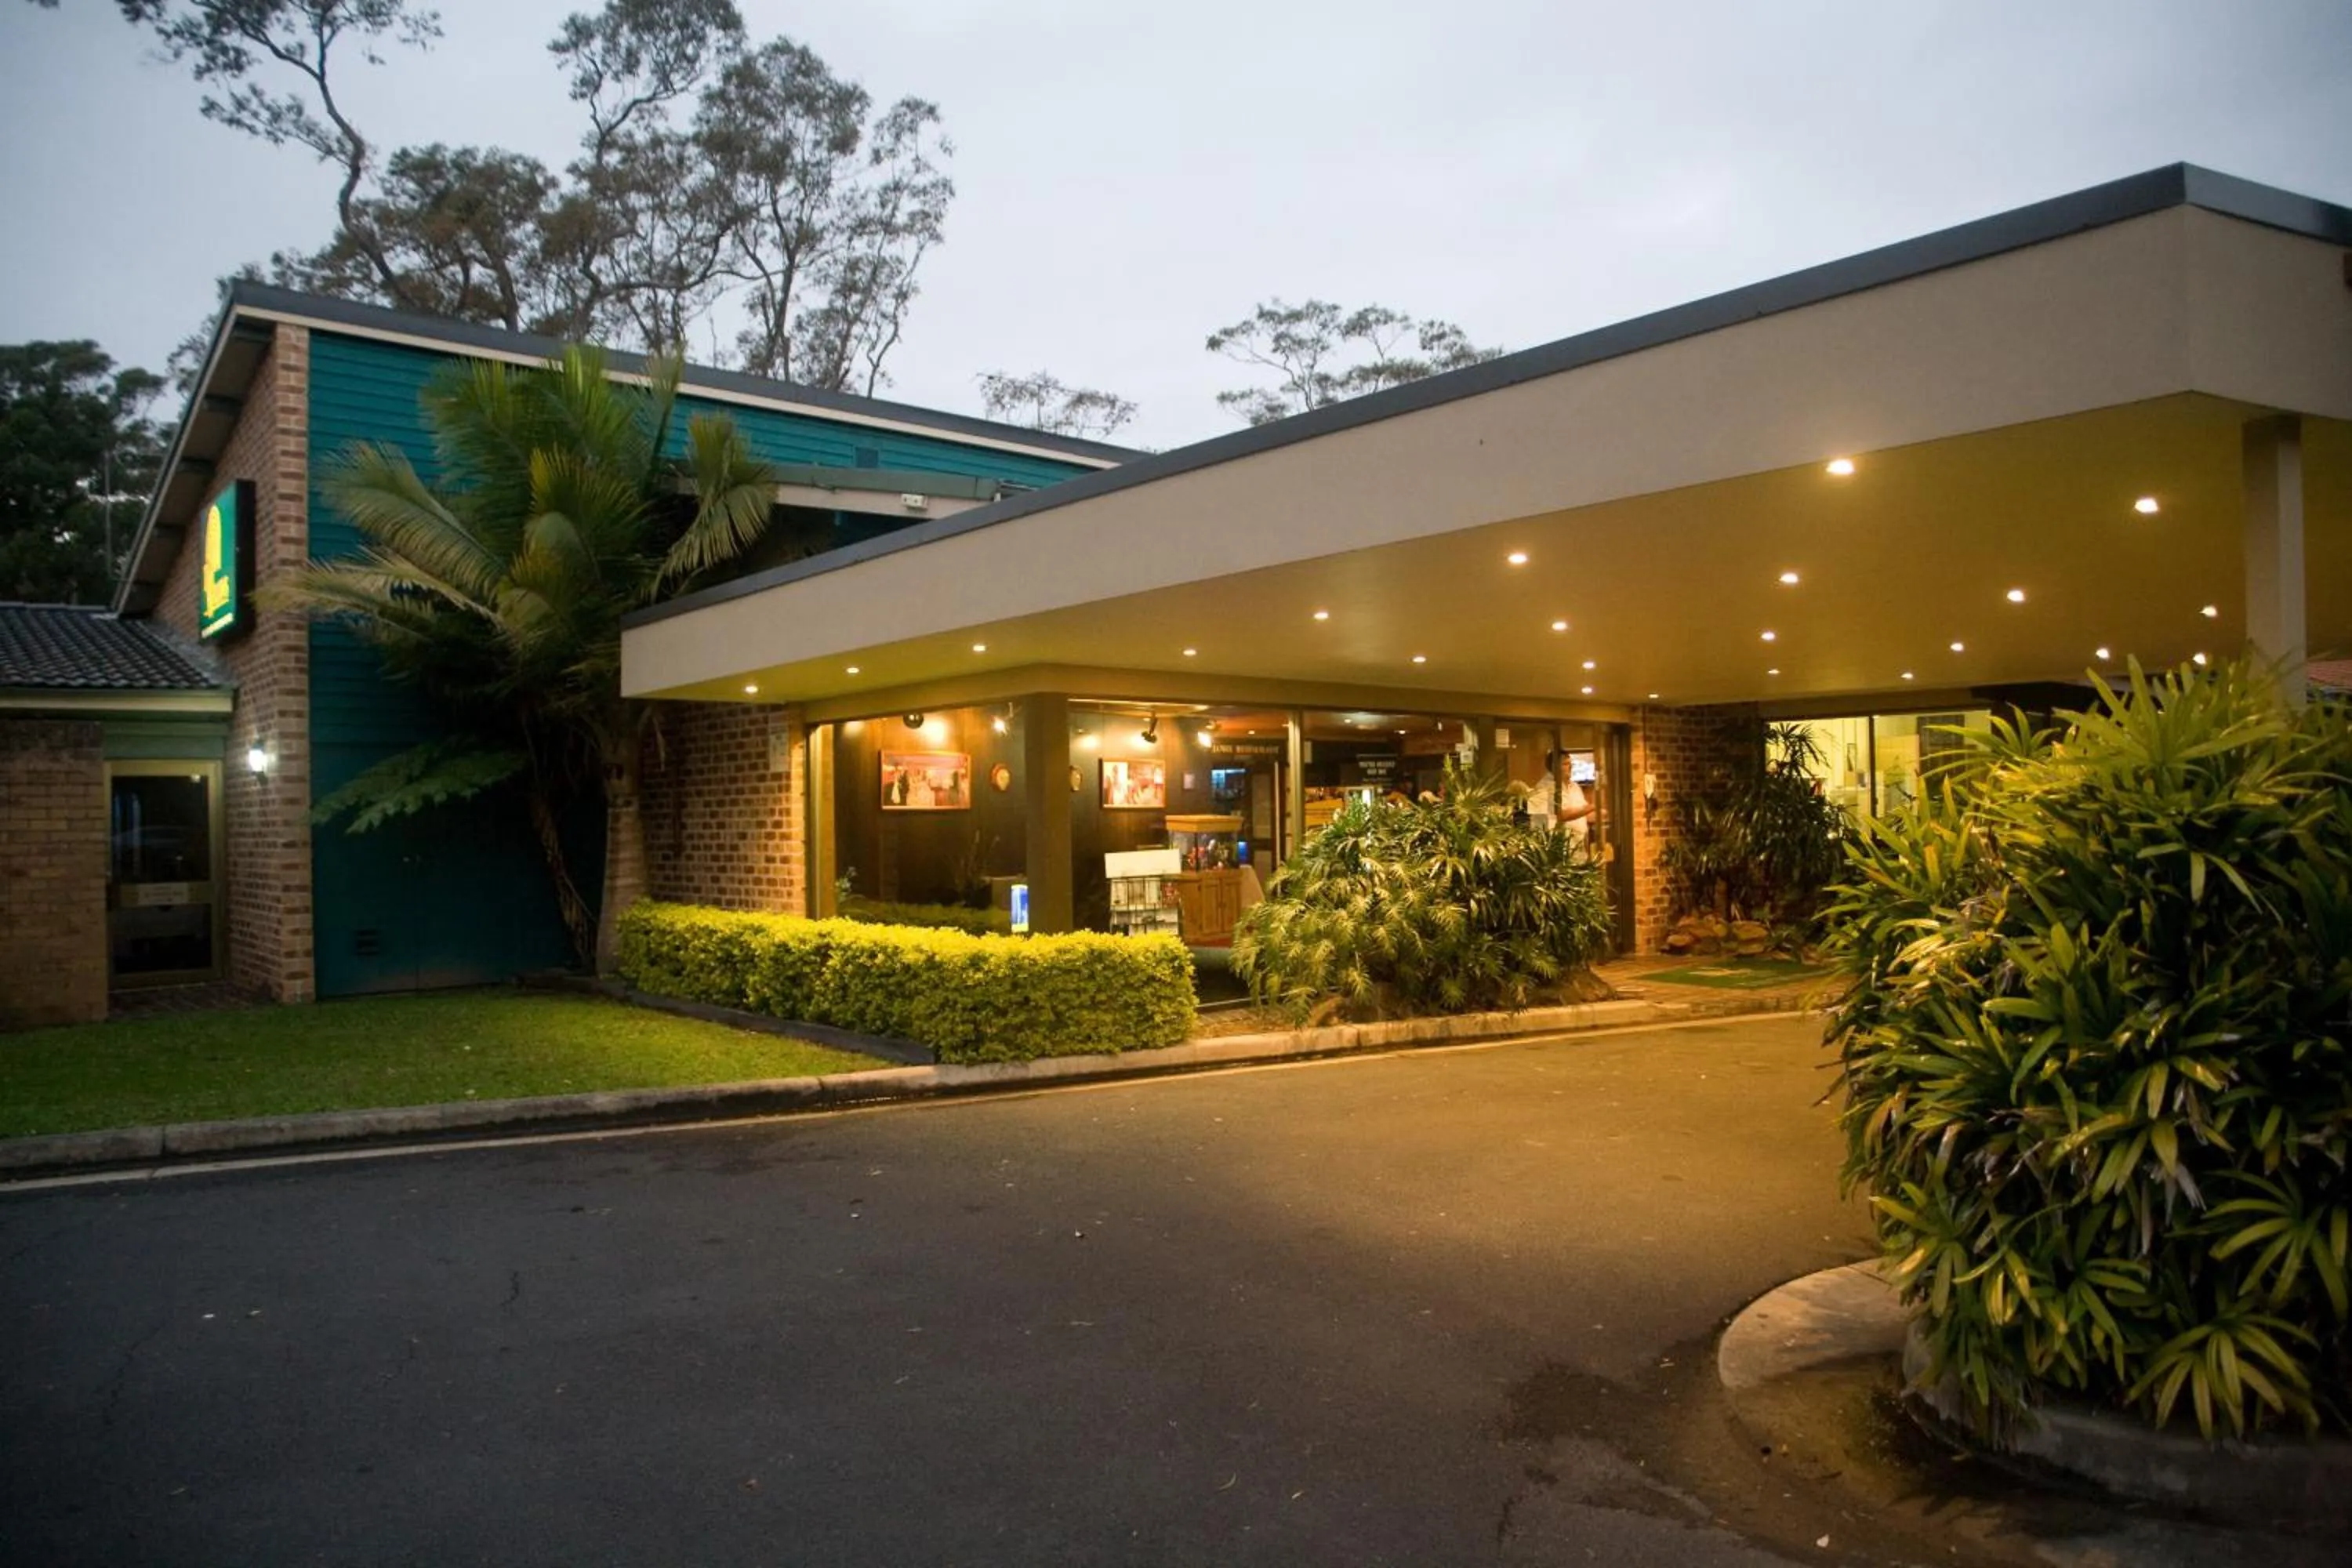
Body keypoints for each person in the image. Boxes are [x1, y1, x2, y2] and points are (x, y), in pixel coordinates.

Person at [1529, 749, 1597, 848]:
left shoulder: (1575, 786)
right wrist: (1593, 807)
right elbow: (1562, 814)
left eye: (1571, 764)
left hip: (1578, 845)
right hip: (1556, 849)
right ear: (1554, 767)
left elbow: (1583, 813)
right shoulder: (1542, 788)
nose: (1571, 767)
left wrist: (1600, 813)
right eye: (1565, 764)